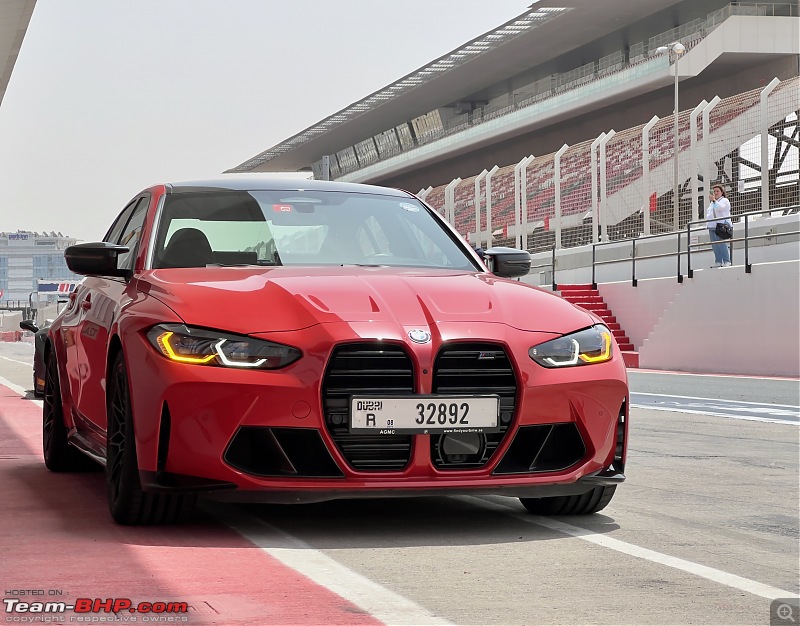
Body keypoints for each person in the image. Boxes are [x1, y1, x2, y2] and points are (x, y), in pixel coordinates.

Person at [705, 184, 732, 267]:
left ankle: (727, 261)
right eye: (714, 191)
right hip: (712, 226)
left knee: (721, 243)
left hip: (721, 225)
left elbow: (720, 208)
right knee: (714, 245)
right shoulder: (712, 204)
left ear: (722, 192)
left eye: (717, 191)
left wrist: (714, 201)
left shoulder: (724, 200)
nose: (716, 193)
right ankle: (718, 261)